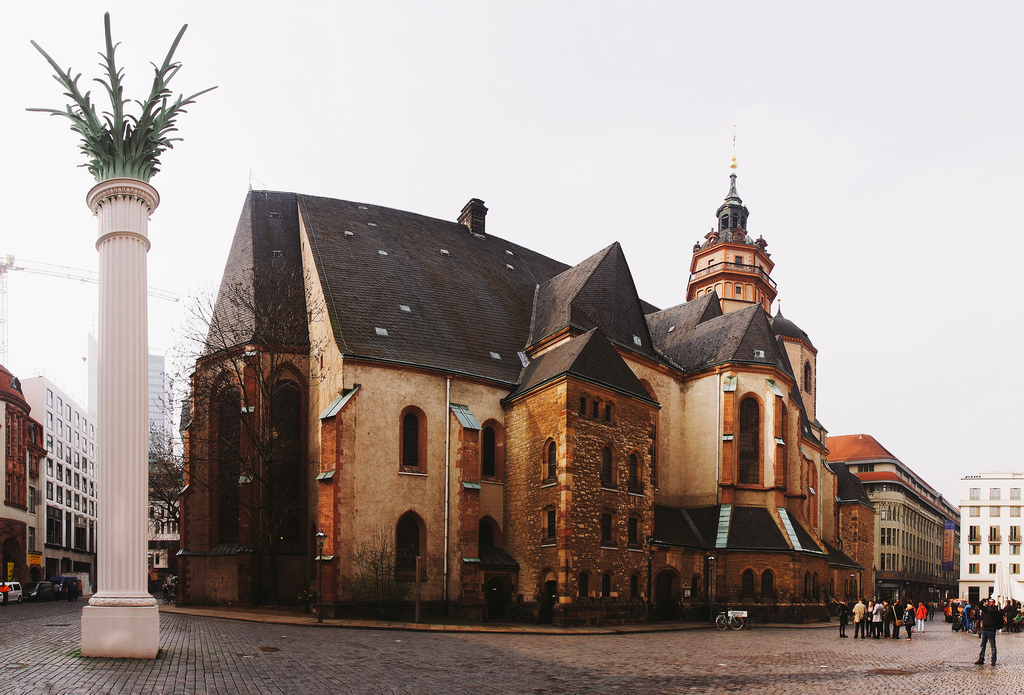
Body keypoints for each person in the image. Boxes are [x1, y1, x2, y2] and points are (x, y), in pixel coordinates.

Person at [975, 598, 1003, 665]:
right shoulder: (986, 609)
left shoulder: (995, 610)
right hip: (985, 629)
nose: (989, 603)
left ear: (993, 603)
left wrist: (988, 606)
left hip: (991, 630)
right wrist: (984, 600)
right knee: (983, 645)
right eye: (989, 602)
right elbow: (979, 605)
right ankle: (981, 658)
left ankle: (993, 660)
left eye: (991, 602)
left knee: (992, 646)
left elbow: (991, 611)